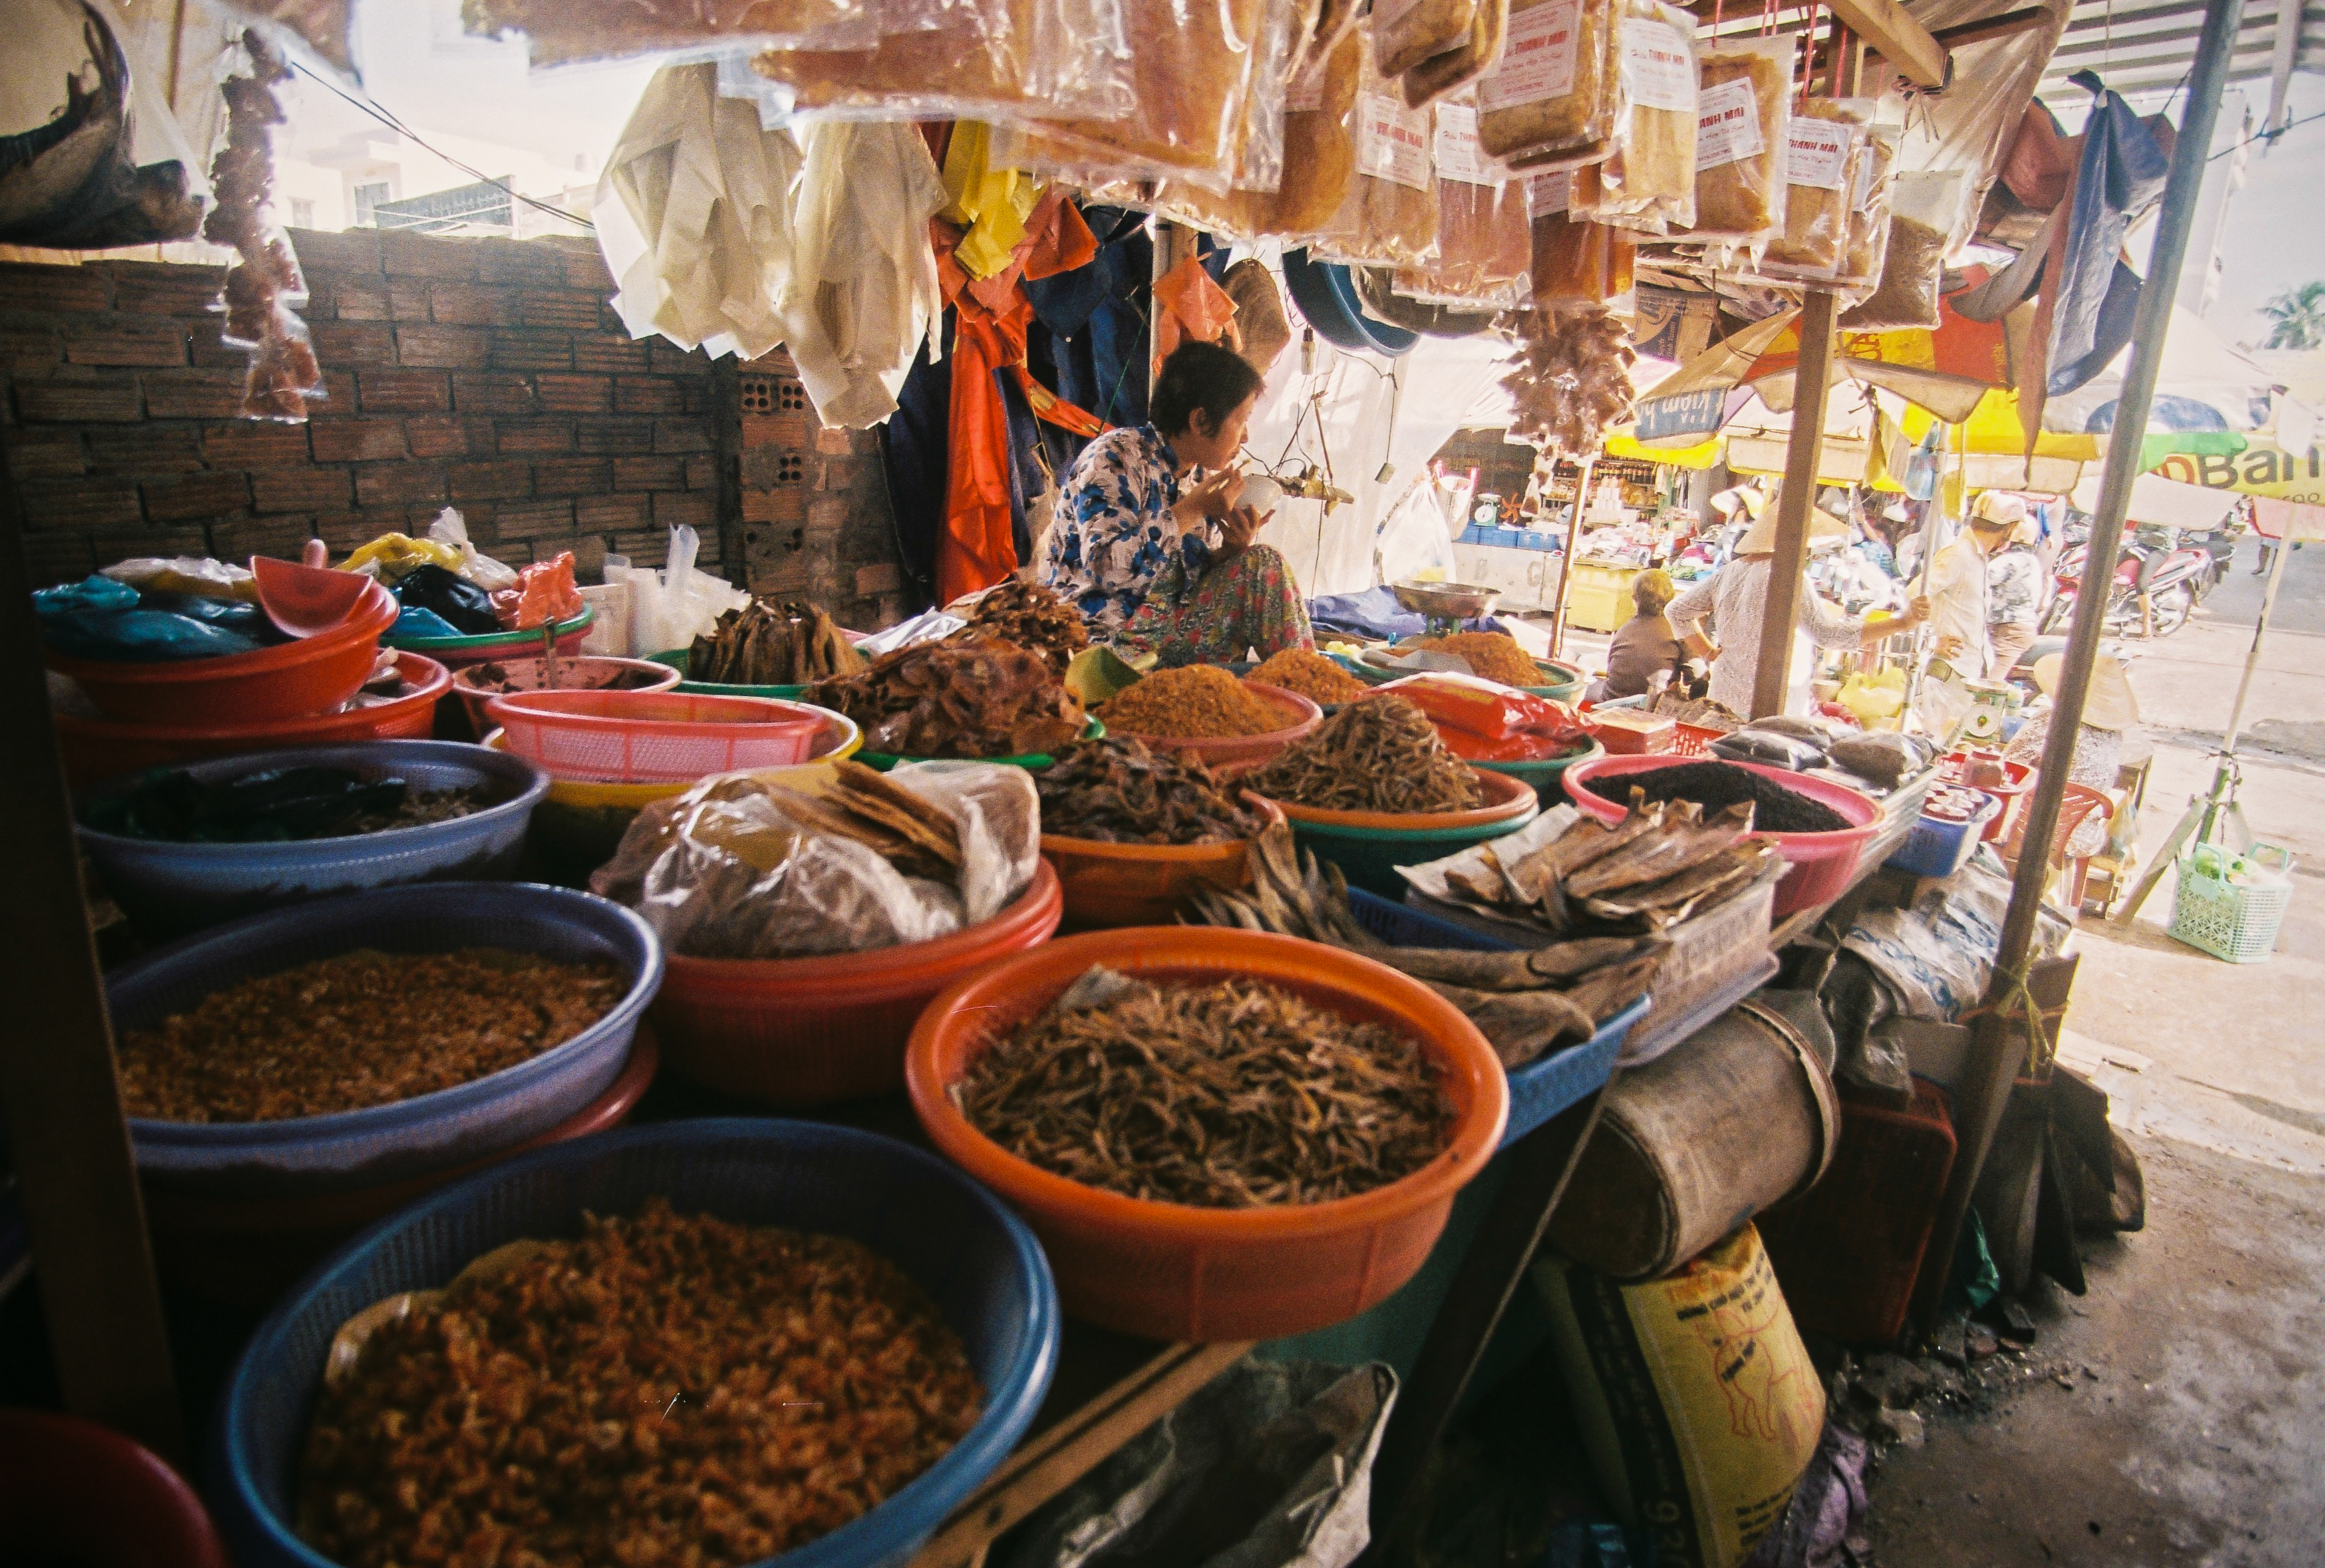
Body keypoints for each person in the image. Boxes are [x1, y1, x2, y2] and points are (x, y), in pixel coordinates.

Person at [1041, 341, 1312, 665]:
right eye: (1240, 421)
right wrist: (1193, 508)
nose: (1245, 437)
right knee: (1264, 564)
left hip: (1167, 627)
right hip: (1103, 637)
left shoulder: (1196, 476)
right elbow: (1106, 569)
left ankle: (1307, 686)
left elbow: (1183, 578)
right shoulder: (1115, 458)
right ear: (1199, 421)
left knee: (1261, 564)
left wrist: (1228, 551)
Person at [1667, 494, 1928, 716]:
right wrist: (1902, 623)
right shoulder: (1786, 575)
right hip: (1769, 703)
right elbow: (1829, 635)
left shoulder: (1732, 570)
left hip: (1725, 695)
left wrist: (1711, 653)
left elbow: (1677, 611)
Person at [2004, 652, 2138, 859]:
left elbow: (2008, 769)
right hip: (2082, 838)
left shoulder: (2049, 721)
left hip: (2029, 832)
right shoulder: (2113, 735)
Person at [1924, 490, 2027, 678]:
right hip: (1949, 668)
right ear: (2009, 529)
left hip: (1966, 667)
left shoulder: (1978, 557)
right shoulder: (1958, 554)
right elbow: (1914, 596)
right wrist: (1930, 642)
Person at [1586, 569, 1683, 702]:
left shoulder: (1624, 629)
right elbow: (1698, 676)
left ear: (1635, 599)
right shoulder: (1678, 629)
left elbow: (1611, 668)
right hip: (1653, 708)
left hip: (1610, 702)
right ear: (1672, 596)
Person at [1986, 514, 2047, 677]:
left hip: (2007, 629)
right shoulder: (2032, 561)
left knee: (1990, 681)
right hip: (2023, 627)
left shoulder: (2009, 561)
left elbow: (1979, 579)